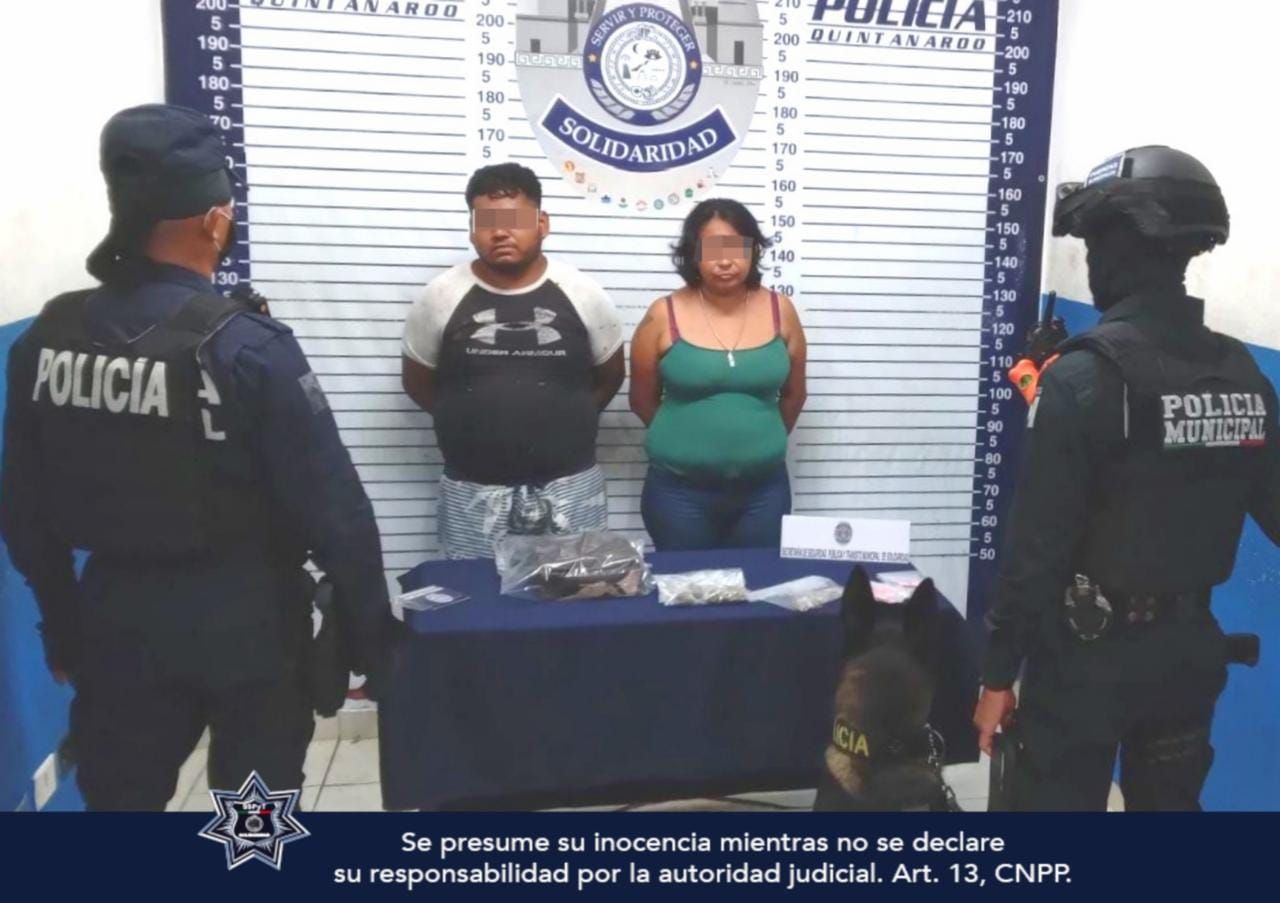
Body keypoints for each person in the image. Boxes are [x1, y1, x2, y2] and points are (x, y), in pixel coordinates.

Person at [0, 104, 391, 810]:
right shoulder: (248, 346)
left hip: (115, 617)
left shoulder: (47, 337)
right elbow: (337, 512)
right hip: (249, 627)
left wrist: (61, 621)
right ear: (215, 221)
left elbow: (23, 506)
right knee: (253, 829)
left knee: (121, 817)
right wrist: (372, 644)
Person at [972, 146, 1280, 810]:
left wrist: (998, 675)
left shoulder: (1083, 378)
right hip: (1190, 654)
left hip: (1083, 661)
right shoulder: (1243, 376)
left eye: (1093, 246)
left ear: (1115, 250)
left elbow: (1037, 552)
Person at [401, 163, 624, 559]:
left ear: (542, 224)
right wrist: (472, 420)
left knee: (577, 591)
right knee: (474, 594)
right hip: (472, 491)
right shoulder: (440, 296)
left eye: (515, 221)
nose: (501, 233)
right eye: (487, 222)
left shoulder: (584, 293)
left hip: (570, 488)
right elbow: (418, 383)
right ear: (472, 230)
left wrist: (559, 420)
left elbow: (610, 377)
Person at [629, 198, 807, 550]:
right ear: (693, 254)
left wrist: (757, 442)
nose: (725, 261)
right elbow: (641, 400)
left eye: (736, 248)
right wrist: (688, 441)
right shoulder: (663, 314)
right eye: (712, 250)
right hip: (679, 495)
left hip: (764, 493)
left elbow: (794, 395)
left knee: (759, 581)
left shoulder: (781, 310)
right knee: (686, 582)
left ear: (754, 250)